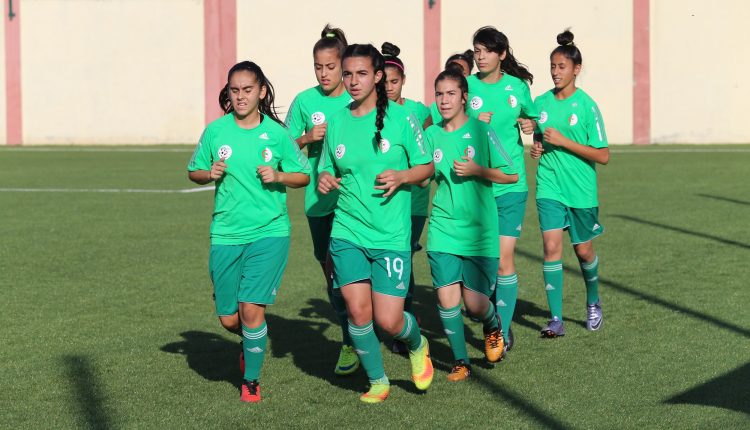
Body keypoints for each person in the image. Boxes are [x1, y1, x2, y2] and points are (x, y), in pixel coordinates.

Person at [317, 43, 435, 403]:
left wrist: (402, 176)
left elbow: (427, 168)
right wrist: (323, 177)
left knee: (389, 321)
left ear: (378, 76)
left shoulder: (402, 119)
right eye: (348, 73)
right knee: (357, 311)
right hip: (347, 231)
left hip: (390, 235)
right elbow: (327, 165)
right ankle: (378, 381)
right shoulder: (337, 121)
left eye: (361, 73)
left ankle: (417, 344)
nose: (353, 81)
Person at [188, 61, 311, 403]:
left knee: (252, 311)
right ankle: (251, 342)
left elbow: (303, 176)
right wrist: (208, 173)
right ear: (228, 93)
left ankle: (251, 381)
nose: (240, 96)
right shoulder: (216, 132)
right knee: (230, 319)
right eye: (234, 90)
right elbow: (193, 171)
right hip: (226, 234)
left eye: (247, 90)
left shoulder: (277, 133)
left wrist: (279, 176)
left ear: (261, 92)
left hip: (270, 233)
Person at [426, 67, 518, 380]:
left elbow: (511, 174)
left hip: (480, 232)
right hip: (443, 228)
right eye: (439, 94)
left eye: (450, 93)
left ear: (465, 97)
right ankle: (461, 362)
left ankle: (493, 326)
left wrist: (479, 169)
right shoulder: (431, 135)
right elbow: (423, 174)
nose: (444, 100)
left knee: (476, 305)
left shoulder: (482, 131)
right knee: (446, 298)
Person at [284, 24, 360, 376]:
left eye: (330, 67)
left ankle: (355, 336)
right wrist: (305, 138)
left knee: (347, 273)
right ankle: (352, 334)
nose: (324, 73)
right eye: (318, 67)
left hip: (354, 202)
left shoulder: (356, 98)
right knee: (331, 276)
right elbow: (279, 150)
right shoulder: (304, 102)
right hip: (317, 203)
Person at [530, 30, 609, 337]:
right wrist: (537, 146)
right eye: (552, 66)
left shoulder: (587, 106)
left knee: (584, 252)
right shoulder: (541, 103)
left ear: (576, 69)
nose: (555, 72)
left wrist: (562, 142)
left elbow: (602, 156)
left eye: (562, 67)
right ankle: (556, 319)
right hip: (550, 185)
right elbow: (538, 136)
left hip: (581, 189)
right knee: (551, 247)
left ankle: (593, 301)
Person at [468, 26, 538, 351]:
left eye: (486, 50)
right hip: (477, 187)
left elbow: (534, 121)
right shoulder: (465, 88)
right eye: (476, 50)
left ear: (502, 54)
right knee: (484, 260)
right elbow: (448, 130)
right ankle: (490, 314)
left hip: (511, 186)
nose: (480, 56)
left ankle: (501, 331)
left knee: (502, 260)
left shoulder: (518, 88)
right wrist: (471, 124)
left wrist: (531, 125)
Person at [381, 41, 431, 355]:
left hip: (412, 203)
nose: (388, 87)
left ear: (403, 81)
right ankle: (395, 322)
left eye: (394, 81)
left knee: (404, 262)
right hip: (382, 201)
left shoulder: (419, 112)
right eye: (383, 81)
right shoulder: (372, 112)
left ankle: (403, 327)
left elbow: (432, 143)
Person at [429, 50, 474, 124]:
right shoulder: (435, 108)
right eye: (452, 72)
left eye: (463, 73)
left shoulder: (476, 101)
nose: (444, 101)